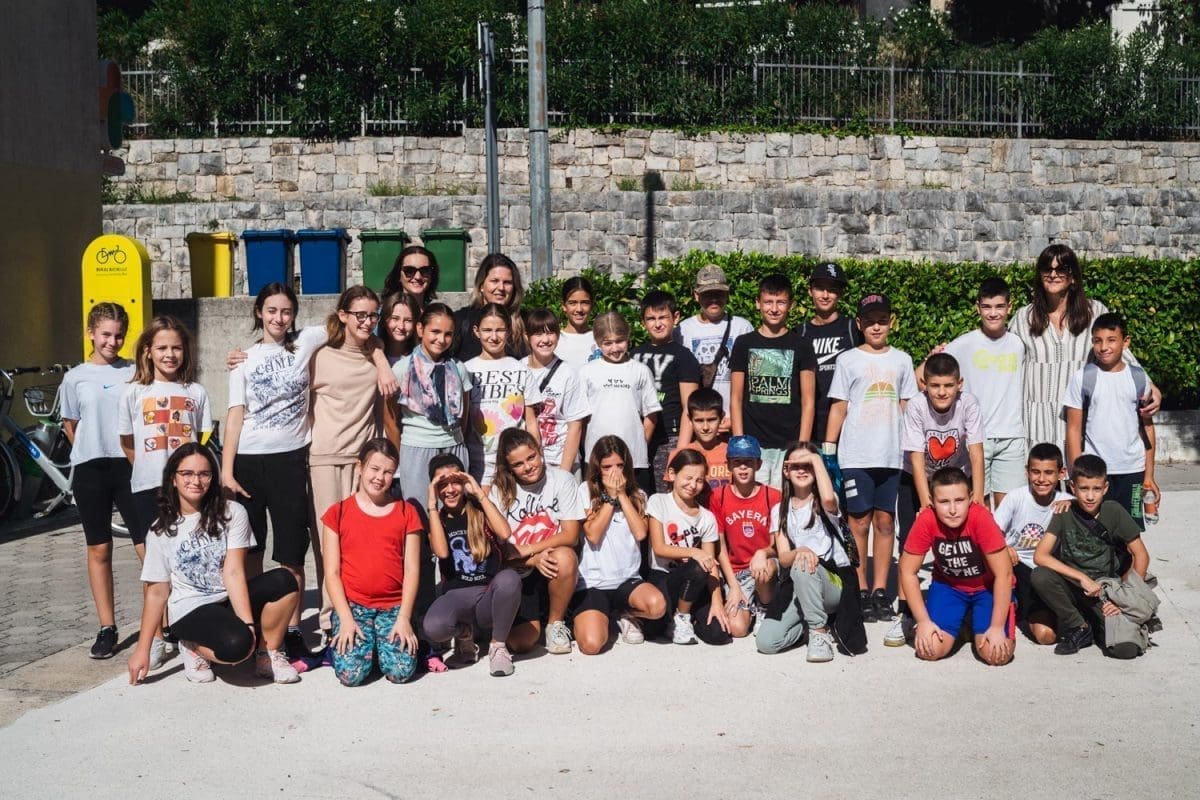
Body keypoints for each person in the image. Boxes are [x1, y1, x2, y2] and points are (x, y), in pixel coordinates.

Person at [224, 283, 387, 663]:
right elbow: (234, 417)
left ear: (295, 315)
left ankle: (295, 630)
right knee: (251, 549)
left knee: (292, 550)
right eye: (271, 310)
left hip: (292, 457)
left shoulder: (307, 342)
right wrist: (226, 471)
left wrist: (380, 360)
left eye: (286, 311)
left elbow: (364, 332)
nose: (279, 318)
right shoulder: (244, 359)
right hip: (250, 458)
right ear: (259, 312)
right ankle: (252, 627)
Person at [127, 444, 301, 685]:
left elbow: (234, 571)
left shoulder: (233, 512)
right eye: (187, 473)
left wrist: (248, 624)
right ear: (173, 479)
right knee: (237, 647)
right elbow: (157, 592)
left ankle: (267, 654)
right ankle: (192, 646)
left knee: (284, 581)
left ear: (213, 477)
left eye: (204, 474)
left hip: (226, 598)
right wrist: (142, 650)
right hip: (190, 608)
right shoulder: (160, 530)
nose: (195, 481)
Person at [117, 315, 213, 669]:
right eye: (162, 348)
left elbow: (200, 441)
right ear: (147, 351)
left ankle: (190, 635)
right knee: (154, 568)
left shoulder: (195, 392)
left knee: (190, 559)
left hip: (186, 491)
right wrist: (149, 469)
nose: (170, 354)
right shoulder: (133, 392)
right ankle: (157, 637)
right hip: (147, 488)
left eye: (176, 347)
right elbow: (127, 442)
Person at [1009, 243, 1159, 453]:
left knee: (1081, 472)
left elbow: (1120, 353)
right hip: (1036, 425)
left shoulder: (1094, 312)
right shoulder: (1023, 318)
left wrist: (1150, 387)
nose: (1053, 274)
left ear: (1073, 277)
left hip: (1082, 423)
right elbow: (1004, 362)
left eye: (1061, 269)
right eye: (1047, 269)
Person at [824, 293, 917, 624]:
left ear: (891, 322)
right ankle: (859, 587)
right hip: (856, 454)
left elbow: (907, 406)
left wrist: (913, 448)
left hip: (891, 455)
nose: (876, 327)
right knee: (857, 523)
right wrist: (829, 448)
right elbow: (839, 405)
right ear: (859, 324)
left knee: (885, 522)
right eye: (870, 321)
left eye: (882, 320)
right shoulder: (848, 360)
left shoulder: (902, 360)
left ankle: (879, 590)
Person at [61, 302, 136, 659]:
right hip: (91, 470)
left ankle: (165, 624)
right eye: (106, 334)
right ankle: (107, 627)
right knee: (99, 548)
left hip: (130, 466)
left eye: (119, 335)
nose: (112, 341)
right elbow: (70, 424)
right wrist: (92, 449)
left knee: (147, 546)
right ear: (91, 333)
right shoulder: (75, 377)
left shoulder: (135, 372)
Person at [320, 439, 423, 686]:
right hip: (354, 606)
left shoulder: (406, 512)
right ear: (360, 467)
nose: (380, 478)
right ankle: (368, 646)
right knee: (351, 675)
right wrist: (345, 618)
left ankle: (380, 646)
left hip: (394, 606)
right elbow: (332, 573)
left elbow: (412, 570)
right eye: (374, 469)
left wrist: (404, 617)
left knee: (400, 672)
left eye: (388, 472)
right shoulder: (338, 512)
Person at [1032, 454, 1153, 658]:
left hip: (1105, 590)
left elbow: (1141, 556)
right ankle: (1080, 626)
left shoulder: (1114, 511)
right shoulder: (1064, 512)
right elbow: (1040, 556)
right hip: (1074, 586)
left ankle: (1097, 623)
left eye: (1096, 489)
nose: (1090, 496)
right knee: (1040, 575)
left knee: (1125, 650)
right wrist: (1081, 577)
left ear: (1105, 488)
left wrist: (1125, 599)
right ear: (1073, 487)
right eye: (1084, 489)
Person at [756, 443, 864, 661]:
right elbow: (784, 558)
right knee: (766, 642)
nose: (802, 470)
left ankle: (819, 632)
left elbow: (828, 499)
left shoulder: (825, 501)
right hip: (800, 581)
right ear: (786, 471)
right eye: (796, 465)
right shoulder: (780, 510)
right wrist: (800, 550)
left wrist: (816, 459)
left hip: (833, 582)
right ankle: (808, 626)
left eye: (808, 465)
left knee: (803, 565)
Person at [898, 467, 1015, 666]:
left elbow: (1004, 574)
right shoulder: (927, 519)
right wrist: (923, 622)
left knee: (996, 655)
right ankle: (962, 624)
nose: (952, 510)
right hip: (949, 587)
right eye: (944, 502)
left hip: (986, 589)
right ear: (932, 501)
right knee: (929, 650)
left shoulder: (980, 518)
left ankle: (978, 620)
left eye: (959, 500)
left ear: (970, 498)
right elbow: (907, 571)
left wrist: (996, 627)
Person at [422, 454, 521, 677]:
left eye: (455, 482)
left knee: (510, 579)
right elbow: (441, 552)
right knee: (434, 627)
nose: (450, 489)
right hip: (456, 596)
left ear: (465, 481)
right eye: (442, 484)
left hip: (488, 595)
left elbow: (505, 533)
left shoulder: (480, 509)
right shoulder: (437, 518)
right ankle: (464, 634)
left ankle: (498, 647)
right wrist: (431, 505)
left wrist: (478, 493)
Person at [489, 429, 585, 655]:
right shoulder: (499, 490)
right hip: (519, 571)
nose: (528, 466)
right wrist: (533, 559)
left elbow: (571, 535)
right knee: (521, 643)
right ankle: (532, 617)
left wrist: (530, 549)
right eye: (518, 464)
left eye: (531, 457)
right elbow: (502, 553)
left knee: (565, 557)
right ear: (508, 467)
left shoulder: (562, 479)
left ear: (540, 451)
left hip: (552, 564)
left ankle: (555, 624)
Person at [571, 436, 667, 655]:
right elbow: (593, 535)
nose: (614, 472)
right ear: (598, 468)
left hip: (628, 581)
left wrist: (622, 495)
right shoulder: (585, 490)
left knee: (657, 606)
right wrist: (610, 499)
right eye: (607, 467)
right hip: (593, 583)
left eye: (619, 465)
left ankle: (626, 615)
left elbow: (641, 533)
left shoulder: (639, 495)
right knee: (591, 644)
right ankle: (593, 618)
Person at [1063, 313, 1158, 530]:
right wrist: (1077, 474)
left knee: (1130, 532)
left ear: (1126, 342)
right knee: (1094, 530)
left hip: (1132, 470)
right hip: (1094, 472)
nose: (1104, 347)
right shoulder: (1082, 378)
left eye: (1111, 340)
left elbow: (1148, 429)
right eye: (1098, 341)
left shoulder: (1139, 377)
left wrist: (1149, 476)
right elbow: (1073, 429)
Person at [941, 277, 1027, 507]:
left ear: (1009, 307)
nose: (993, 313)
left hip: (1012, 437)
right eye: (987, 307)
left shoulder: (1019, 344)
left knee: (1010, 508)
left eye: (999, 306)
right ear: (978, 307)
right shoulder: (963, 344)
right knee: (979, 508)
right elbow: (925, 374)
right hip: (976, 439)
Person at [729, 273, 816, 488]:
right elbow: (736, 398)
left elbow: (808, 401)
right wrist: (740, 443)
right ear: (758, 303)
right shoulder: (743, 343)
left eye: (781, 302)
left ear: (791, 305)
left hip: (789, 443)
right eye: (768, 302)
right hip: (753, 443)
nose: (774, 309)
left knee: (784, 501)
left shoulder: (802, 345)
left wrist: (802, 446)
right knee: (752, 500)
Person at [390, 302, 473, 511]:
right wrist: (402, 454)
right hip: (417, 450)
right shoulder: (402, 369)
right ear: (420, 329)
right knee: (419, 511)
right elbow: (390, 417)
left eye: (448, 334)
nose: (441, 339)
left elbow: (465, 413)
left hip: (453, 447)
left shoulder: (459, 368)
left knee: (455, 511)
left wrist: (456, 440)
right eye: (435, 332)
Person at [645, 449, 731, 646]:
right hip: (665, 576)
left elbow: (710, 564)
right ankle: (678, 617)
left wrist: (717, 601)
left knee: (719, 634)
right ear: (672, 474)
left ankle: (684, 618)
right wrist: (693, 551)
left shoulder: (706, 517)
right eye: (688, 478)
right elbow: (659, 548)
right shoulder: (658, 501)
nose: (693, 485)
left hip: (695, 581)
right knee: (652, 629)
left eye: (699, 480)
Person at [993, 443, 1071, 646]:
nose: (1042, 479)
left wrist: (1076, 504)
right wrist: (1003, 547)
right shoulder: (1016, 497)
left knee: (1047, 636)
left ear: (1061, 473)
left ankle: (1033, 609)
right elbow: (992, 532)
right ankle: (1013, 603)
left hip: (1046, 572)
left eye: (1049, 473)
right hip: (1016, 564)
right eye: (1036, 472)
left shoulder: (1067, 502)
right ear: (1027, 471)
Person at [579, 311, 662, 495]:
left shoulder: (640, 371)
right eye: (607, 343)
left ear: (628, 338)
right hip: (597, 458)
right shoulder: (587, 372)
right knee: (597, 506)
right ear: (597, 342)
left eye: (620, 341)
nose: (615, 348)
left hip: (634, 459)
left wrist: (639, 444)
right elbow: (581, 419)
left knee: (635, 506)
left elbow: (651, 415)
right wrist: (589, 447)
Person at [710, 435, 780, 639]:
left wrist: (762, 552)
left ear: (758, 464)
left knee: (764, 569)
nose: (742, 467)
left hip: (765, 567)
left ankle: (764, 606)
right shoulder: (719, 496)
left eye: (748, 462)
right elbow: (720, 546)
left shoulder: (772, 496)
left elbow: (778, 544)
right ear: (728, 465)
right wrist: (733, 585)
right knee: (737, 629)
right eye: (737, 462)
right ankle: (750, 607)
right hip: (737, 572)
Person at [632, 289, 701, 493]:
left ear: (675, 318)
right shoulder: (634, 355)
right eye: (651, 318)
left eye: (663, 317)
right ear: (643, 322)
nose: (657, 324)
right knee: (638, 495)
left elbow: (689, 407)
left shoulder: (683, 356)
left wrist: (680, 449)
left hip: (670, 438)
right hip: (637, 435)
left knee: (666, 496)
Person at [464, 303, 539, 486]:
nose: (494, 337)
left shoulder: (521, 370)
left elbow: (531, 422)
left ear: (509, 331)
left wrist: (537, 456)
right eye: (487, 330)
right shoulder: (466, 369)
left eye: (500, 330)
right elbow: (463, 421)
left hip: (516, 463)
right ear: (476, 331)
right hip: (478, 462)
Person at [795, 262, 859, 450]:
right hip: (811, 431)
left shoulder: (853, 329)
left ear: (840, 293)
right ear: (810, 291)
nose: (825, 295)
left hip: (848, 432)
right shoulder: (799, 332)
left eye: (831, 289)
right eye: (820, 288)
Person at [676, 263, 752, 420]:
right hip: (699, 422)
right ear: (696, 295)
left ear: (727, 294)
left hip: (735, 421)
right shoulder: (683, 330)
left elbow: (752, 380)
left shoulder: (742, 327)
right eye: (707, 294)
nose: (714, 300)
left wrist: (735, 420)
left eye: (719, 293)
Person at [523, 308, 591, 476]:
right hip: (526, 463)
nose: (545, 340)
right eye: (538, 334)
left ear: (558, 336)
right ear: (526, 336)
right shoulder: (518, 369)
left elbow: (575, 426)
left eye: (550, 333)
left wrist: (564, 474)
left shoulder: (568, 373)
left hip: (560, 461)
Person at [453, 253, 527, 361]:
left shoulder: (526, 322)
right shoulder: (461, 320)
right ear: (481, 285)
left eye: (507, 282)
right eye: (494, 281)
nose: (501, 288)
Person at [665, 388, 731, 492]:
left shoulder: (732, 453)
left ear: (722, 417)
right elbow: (671, 494)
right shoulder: (678, 455)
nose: (705, 427)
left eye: (711, 420)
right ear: (690, 419)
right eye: (699, 420)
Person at [555, 275, 602, 368]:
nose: (579, 309)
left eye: (585, 303)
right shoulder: (554, 341)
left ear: (592, 305)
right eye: (572, 303)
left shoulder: (601, 339)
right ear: (564, 306)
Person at [382, 244, 439, 310]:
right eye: (409, 271)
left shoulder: (438, 314)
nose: (418, 277)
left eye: (424, 270)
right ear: (398, 275)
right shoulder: (383, 313)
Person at [380, 291, 420, 364]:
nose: (401, 327)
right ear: (384, 320)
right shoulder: (370, 354)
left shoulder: (421, 359)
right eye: (395, 318)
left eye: (408, 320)